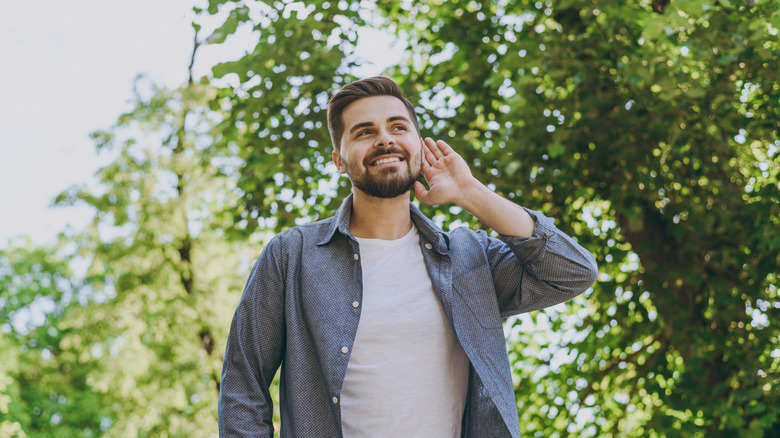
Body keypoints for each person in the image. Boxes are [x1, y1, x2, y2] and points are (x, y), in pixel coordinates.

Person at [218, 76, 598, 437]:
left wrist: (468, 192)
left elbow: (572, 271)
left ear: (418, 145)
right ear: (339, 160)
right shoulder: (292, 255)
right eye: (365, 132)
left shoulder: (468, 259)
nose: (385, 139)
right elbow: (243, 386)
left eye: (398, 128)